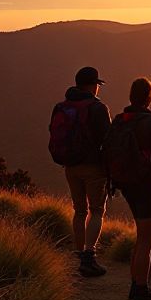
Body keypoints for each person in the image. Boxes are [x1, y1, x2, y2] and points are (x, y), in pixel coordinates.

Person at [106, 76, 151, 300]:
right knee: (147, 240)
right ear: (149, 97)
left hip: (125, 184)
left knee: (141, 237)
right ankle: (142, 292)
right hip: (145, 186)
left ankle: (136, 285)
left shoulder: (120, 121)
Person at [51, 66, 111, 278]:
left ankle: (79, 253)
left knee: (79, 210)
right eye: (97, 85)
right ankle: (89, 256)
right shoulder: (97, 108)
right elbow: (109, 141)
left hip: (70, 166)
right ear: (92, 85)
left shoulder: (62, 106)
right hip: (93, 167)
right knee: (96, 211)